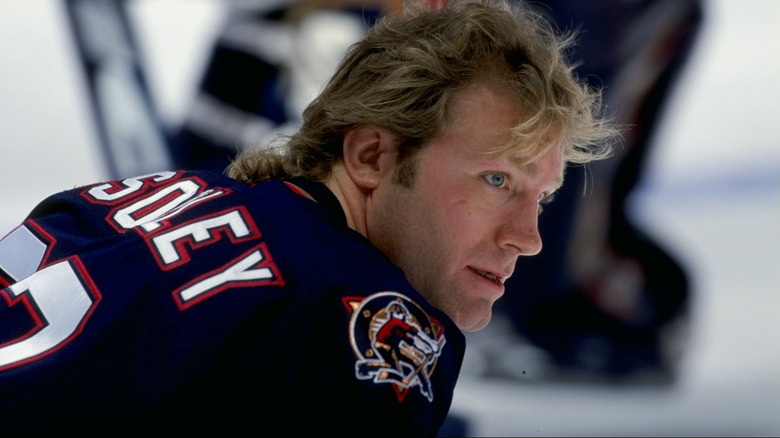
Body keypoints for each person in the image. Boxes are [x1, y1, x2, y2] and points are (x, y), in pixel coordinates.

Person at [0, 0, 616, 435]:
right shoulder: (359, 318)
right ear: (372, 154)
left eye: (542, 196)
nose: (529, 238)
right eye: (496, 180)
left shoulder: (125, 200)